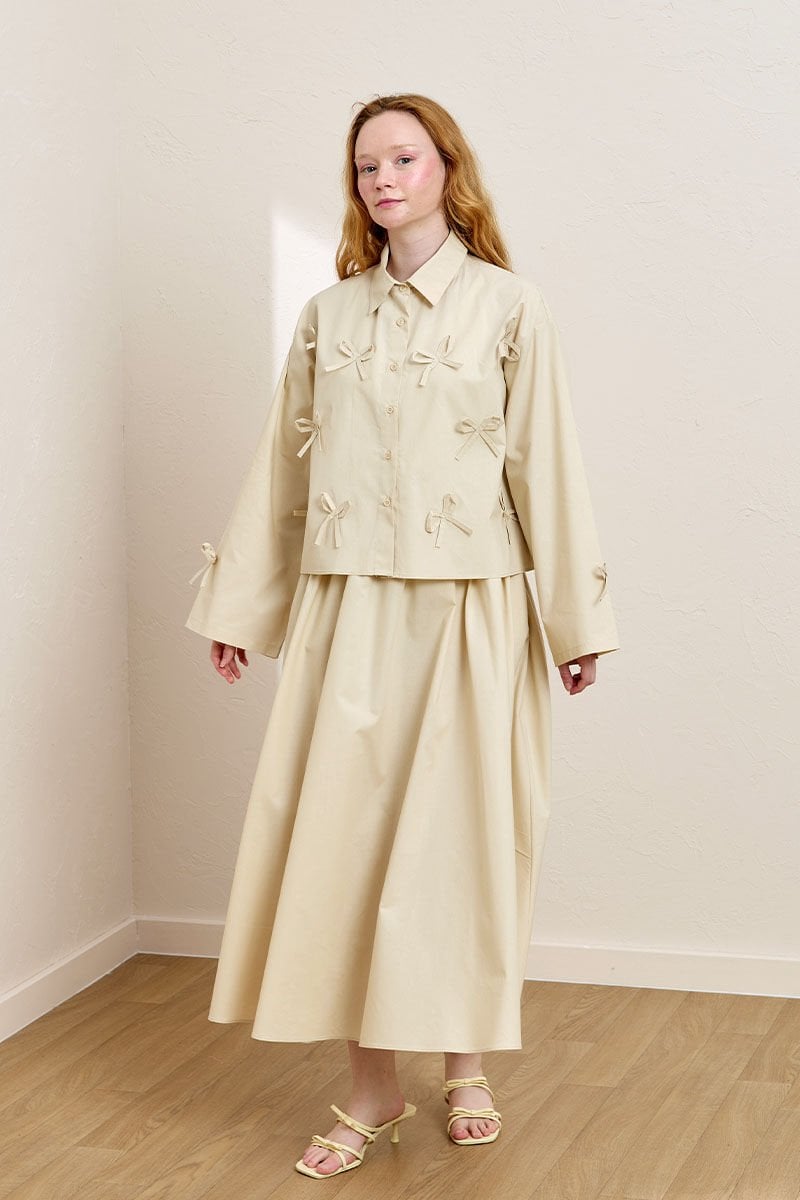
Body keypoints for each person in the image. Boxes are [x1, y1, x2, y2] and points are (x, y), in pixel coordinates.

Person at [185, 92, 619, 1180]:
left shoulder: (510, 306)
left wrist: (573, 622)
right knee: (345, 845)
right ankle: (373, 1088)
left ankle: (464, 1066)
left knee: (459, 844)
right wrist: (240, 608)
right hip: (347, 613)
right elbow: (282, 470)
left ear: (445, 170)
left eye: (404, 160)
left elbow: (547, 466)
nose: (383, 179)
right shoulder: (329, 317)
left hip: (471, 609)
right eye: (366, 166)